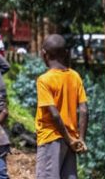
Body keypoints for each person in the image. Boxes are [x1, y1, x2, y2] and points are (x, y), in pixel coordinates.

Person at [35, 34, 89, 179]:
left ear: (44, 54)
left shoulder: (44, 80)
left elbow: (54, 114)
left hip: (50, 138)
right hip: (71, 139)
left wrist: (69, 139)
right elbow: (83, 109)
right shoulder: (75, 76)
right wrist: (80, 139)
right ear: (65, 54)